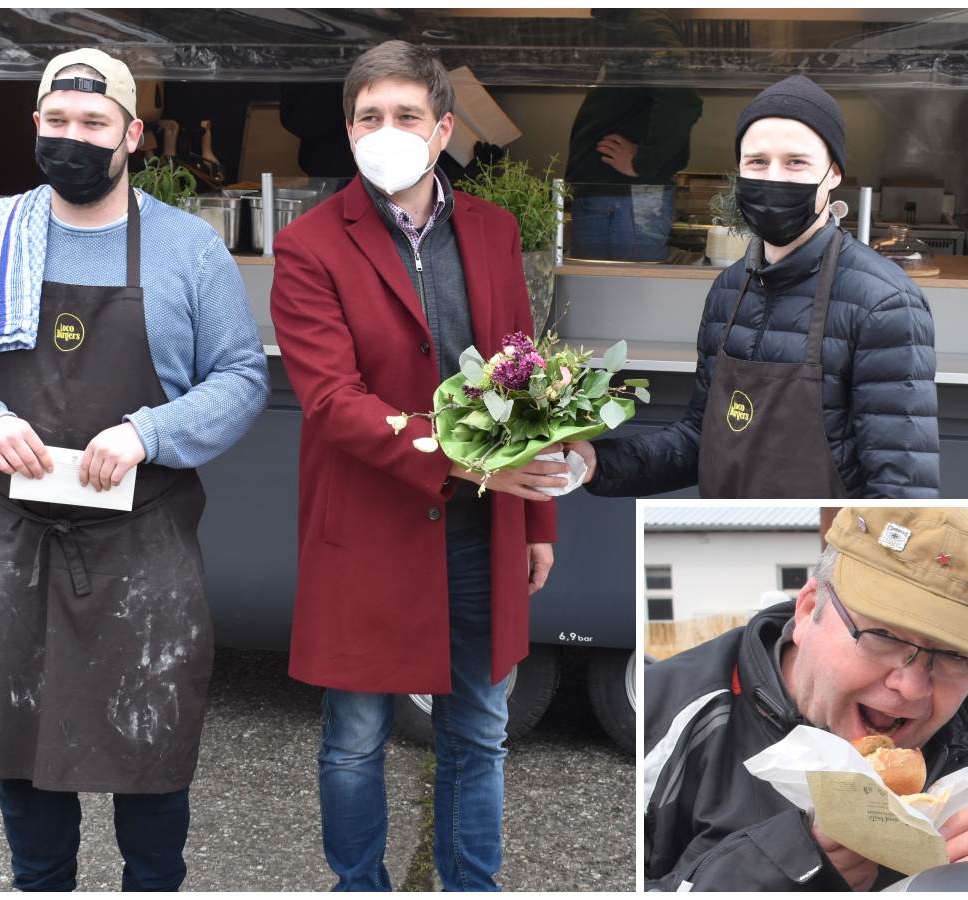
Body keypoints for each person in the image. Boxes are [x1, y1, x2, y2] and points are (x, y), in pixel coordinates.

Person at [0, 48, 270, 890]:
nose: (72, 138)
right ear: (35, 122)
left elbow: (241, 375)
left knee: (150, 743)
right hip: (14, 540)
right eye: (57, 121)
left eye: (92, 123)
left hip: (141, 543)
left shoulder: (187, 250)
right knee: (20, 740)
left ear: (131, 133)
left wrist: (151, 432)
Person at [268, 40, 563, 891]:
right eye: (368, 117)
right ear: (349, 130)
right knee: (355, 737)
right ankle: (359, 885)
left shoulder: (493, 231)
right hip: (367, 528)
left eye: (404, 116)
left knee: (479, 731)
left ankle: (472, 884)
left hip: (482, 531)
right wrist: (471, 466)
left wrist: (537, 515)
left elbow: (525, 377)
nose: (384, 131)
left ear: (443, 131)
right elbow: (333, 402)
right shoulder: (310, 246)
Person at [644, 507, 968, 891]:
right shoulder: (665, 715)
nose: (911, 687)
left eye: (954, 656)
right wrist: (769, 868)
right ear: (809, 610)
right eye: (882, 636)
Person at [569, 75, 939, 498]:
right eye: (758, 162)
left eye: (796, 162)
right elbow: (698, 439)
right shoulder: (730, 290)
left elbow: (901, 492)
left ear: (833, 173)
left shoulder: (883, 303)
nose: (774, 178)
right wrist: (597, 463)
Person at [566, 9, 702, 262]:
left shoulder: (645, 22)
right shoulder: (630, 24)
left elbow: (682, 100)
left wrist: (644, 162)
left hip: (621, 200)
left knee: (614, 296)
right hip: (616, 200)